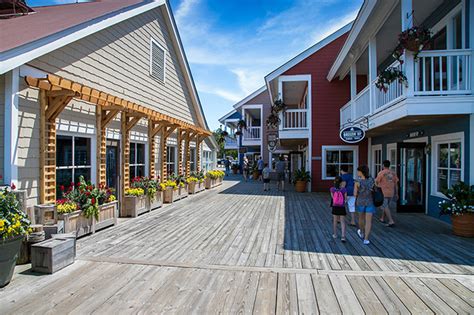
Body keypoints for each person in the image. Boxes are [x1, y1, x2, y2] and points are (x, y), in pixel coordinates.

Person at [354, 165, 375, 245]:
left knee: (361, 218)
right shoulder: (372, 180)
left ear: (361, 172)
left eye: (358, 171)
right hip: (370, 201)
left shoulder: (357, 182)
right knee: (368, 221)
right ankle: (366, 239)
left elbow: (355, 194)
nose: (357, 173)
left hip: (360, 202)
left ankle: (362, 232)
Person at [376, 160, 398, 227]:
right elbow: (396, 184)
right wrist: (396, 193)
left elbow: (376, 182)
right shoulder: (393, 173)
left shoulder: (381, 173)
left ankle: (391, 221)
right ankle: (382, 218)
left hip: (383, 192)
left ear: (383, 165)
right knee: (386, 206)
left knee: (385, 206)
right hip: (391, 192)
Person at [330, 176, 347, 242]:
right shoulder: (344, 189)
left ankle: (335, 234)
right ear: (341, 182)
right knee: (342, 221)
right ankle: (343, 236)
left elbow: (333, 198)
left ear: (334, 182)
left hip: (335, 206)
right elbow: (345, 199)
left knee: (335, 220)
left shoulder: (332, 189)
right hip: (342, 207)